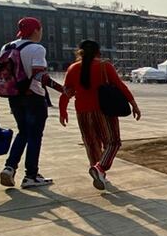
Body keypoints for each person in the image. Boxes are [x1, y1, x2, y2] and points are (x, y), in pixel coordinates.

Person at [0, 17, 63, 189]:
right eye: (40, 29)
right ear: (36, 30)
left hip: (14, 97)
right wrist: (62, 89)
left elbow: (0, 76)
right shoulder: (37, 49)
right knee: (35, 136)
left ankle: (10, 167)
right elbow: (38, 75)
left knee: (23, 133)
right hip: (33, 97)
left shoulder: (6, 47)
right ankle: (31, 175)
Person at [59, 40, 141, 190]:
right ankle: (100, 168)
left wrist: (62, 110)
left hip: (82, 111)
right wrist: (133, 104)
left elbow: (66, 92)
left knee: (91, 143)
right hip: (104, 110)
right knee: (113, 142)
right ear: (98, 52)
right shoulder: (105, 66)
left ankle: (98, 174)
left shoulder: (72, 68)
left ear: (79, 52)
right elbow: (120, 85)